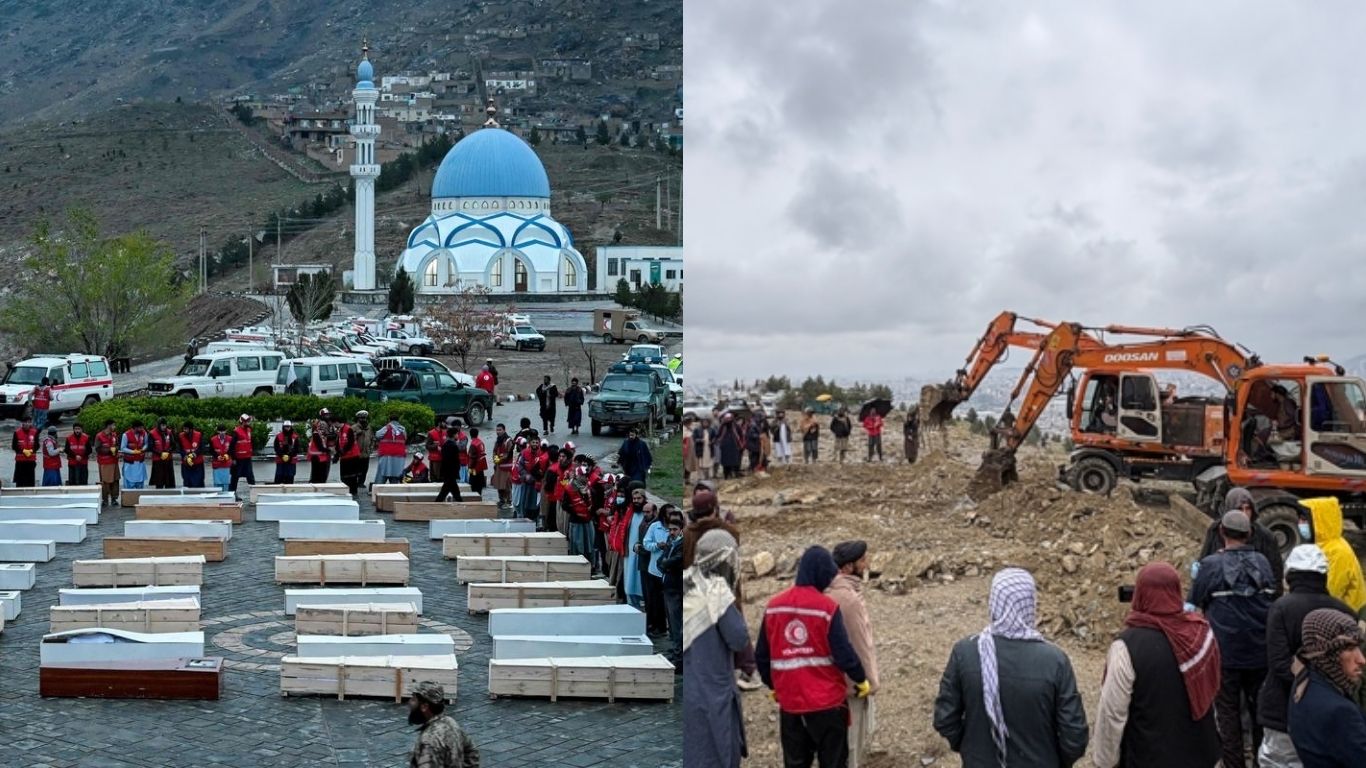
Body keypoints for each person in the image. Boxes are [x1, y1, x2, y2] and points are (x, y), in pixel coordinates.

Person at [933, 567, 1088, 768]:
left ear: (994, 603)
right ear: (1030, 603)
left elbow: (945, 718)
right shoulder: (1055, 661)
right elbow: (1074, 735)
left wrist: (970, 747)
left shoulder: (966, 653)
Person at [1092, 561, 1222, 768]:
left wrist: (1104, 760)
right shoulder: (1201, 633)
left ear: (1140, 594)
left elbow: (1113, 711)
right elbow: (1212, 691)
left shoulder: (1126, 646)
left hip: (1149, 756)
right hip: (1201, 753)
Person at [757, 546, 872, 768]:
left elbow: (762, 655)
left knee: (796, 762)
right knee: (834, 761)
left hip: (791, 705)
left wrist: (772, 685)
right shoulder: (826, 607)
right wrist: (861, 679)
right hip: (827, 704)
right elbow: (844, 653)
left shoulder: (774, 607)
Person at [1188, 509, 1277, 768]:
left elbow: (1193, 604)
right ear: (1249, 534)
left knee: (1227, 712)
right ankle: (1261, 761)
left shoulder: (1211, 566)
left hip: (1224, 654)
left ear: (1221, 532)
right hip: (1260, 653)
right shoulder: (1262, 562)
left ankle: (1234, 762)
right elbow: (1271, 597)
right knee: (1259, 710)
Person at [1257, 545, 1355, 768]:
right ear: (1323, 575)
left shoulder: (1281, 608)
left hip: (1283, 710)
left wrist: (1305, 691)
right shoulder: (1345, 612)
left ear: (1290, 575)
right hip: (1331, 711)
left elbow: (1279, 663)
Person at [683, 528, 750, 768]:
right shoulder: (716, 591)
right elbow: (739, 638)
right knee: (714, 753)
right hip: (713, 693)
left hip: (688, 691)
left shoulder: (685, 581)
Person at [1287, 609, 1366, 766]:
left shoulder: (1304, 683)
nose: (1362, 660)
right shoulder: (1339, 711)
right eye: (1349, 649)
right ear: (1327, 655)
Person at [828, 541, 880, 768]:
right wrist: (869, 681)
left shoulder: (828, 590)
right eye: (862, 561)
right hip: (851, 685)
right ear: (848, 567)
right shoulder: (847, 599)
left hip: (831, 683)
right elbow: (860, 644)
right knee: (851, 745)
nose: (866, 564)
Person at [1197, 487, 1285, 596]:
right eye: (1239, 509)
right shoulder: (1216, 529)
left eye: (1248, 509)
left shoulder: (1264, 536)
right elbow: (1205, 558)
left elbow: (1275, 573)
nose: (1244, 513)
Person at [1301, 496, 1366, 613]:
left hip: (1347, 614)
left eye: (1304, 520)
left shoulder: (1338, 551)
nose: (1300, 524)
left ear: (1319, 520)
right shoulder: (1322, 546)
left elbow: (1331, 591)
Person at [406, 681, 480, 768]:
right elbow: (472, 752)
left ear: (424, 707)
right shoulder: (451, 722)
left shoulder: (429, 741)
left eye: (413, 699)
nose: (409, 702)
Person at [659, 508, 685, 665]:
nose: (671, 532)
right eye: (670, 530)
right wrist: (665, 564)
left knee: (678, 624)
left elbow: (675, 561)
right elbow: (661, 561)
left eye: (674, 529)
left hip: (677, 587)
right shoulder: (670, 541)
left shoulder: (683, 544)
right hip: (668, 586)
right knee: (673, 624)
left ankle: (680, 657)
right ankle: (676, 650)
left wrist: (665, 563)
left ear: (681, 530)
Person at [336, 415, 365, 497]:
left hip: (351, 456)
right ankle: (348, 490)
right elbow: (339, 443)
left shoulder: (348, 429)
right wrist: (338, 454)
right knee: (345, 477)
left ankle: (353, 492)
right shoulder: (340, 430)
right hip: (345, 456)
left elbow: (350, 443)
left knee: (351, 476)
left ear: (337, 422)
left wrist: (342, 452)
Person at [376, 415, 409, 485]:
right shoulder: (402, 429)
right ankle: (394, 491)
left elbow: (377, 435)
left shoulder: (387, 427)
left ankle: (378, 489)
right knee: (395, 474)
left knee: (382, 473)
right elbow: (405, 438)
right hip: (399, 456)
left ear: (389, 420)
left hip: (386, 455)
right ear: (398, 420)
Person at [434, 429, 465, 502]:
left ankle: (459, 502)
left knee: (451, 491)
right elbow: (455, 461)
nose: (458, 435)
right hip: (451, 473)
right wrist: (456, 471)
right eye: (457, 434)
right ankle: (436, 504)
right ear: (454, 435)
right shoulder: (453, 446)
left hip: (447, 472)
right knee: (447, 491)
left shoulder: (445, 445)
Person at [94, 419, 120, 504]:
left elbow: (117, 445)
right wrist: (109, 450)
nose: (114, 427)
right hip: (104, 462)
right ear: (109, 426)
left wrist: (115, 449)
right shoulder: (99, 436)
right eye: (113, 425)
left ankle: (114, 498)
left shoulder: (114, 435)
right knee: (106, 481)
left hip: (114, 460)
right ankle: (105, 499)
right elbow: (97, 449)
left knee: (115, 480)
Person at [229, 414, 256, 491]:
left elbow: (250, 442)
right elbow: (232, 446)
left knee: (250, 477)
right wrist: (233, 458)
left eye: (248, 421)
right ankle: (232, 494)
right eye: (246, 421)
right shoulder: (236, 431)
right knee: (235, 477)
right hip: (238, 459)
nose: (248, 423)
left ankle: (254, 493)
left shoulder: (249, 430)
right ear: (241, 422)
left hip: (247, 458)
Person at [120, 419, 150, 489]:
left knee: (140, 482)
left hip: (140, 462)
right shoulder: (126, 435)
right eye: (140, 427)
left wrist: (143, 449)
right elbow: (123, 448)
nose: (142, 429)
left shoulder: (144, 433)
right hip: (129, 463)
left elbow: (146, 444)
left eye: (142, 427)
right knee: (129, 482)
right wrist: (132, 452)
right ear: (135, 428)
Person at [11, 415, 39, 487]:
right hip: (20, 461)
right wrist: (23, 451)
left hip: (31, 460)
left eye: (29, 422)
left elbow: (37, 445)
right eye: (25, 422)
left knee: (30, 480)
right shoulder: (17, 433)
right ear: (22, 423)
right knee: (20, 481)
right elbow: (14, 446)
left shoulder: (35, 432)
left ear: (31, 423)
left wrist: (31, 450)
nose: (27, 424)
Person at [490, 424, 513, 508]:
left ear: (504, 430)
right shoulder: (498, 441)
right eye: (497, 430)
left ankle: (509, 501)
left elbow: (509, 453)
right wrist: (495, 458)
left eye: (500, 430)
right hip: (499, 466)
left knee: (506, 485)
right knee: (499, 484)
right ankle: (502, 500)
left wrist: (500, 459)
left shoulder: (508, 441)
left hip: (506, 467)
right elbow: (494, 451)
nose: (498, 432)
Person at [178, 421, 205, 489]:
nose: (184, 430)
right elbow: (179, 448)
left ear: (191, 429)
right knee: (187, 482)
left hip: (197, 464)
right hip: (186, 464)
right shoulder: (180, 436)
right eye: (184, 429)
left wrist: (195, 454)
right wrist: (184, 455)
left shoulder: (199, 435)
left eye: (186, 429)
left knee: (198, 482)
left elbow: (202, 447)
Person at [308, 416, 333, 484]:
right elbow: (320, 447)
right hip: (317, 457)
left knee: (321, 474)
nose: (323, 427)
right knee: (317, 474)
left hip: (321, 457)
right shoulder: (316, 434)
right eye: (322, 426)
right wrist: (328, 450)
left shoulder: (321, 434)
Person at [63, 422, 90, 486]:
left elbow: (89, 450)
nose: (77, 430)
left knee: (83, 481)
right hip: (72, 463)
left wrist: (82, 456)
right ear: (73, 429)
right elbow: (67, 449)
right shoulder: (69, 438)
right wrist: (75, 456)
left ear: (81, 429)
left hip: (83, 463)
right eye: (75, 429)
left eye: (79, 429)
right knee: (72, 482)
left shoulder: (86, 438)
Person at [209, 424, 233, 492]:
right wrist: (217, 456)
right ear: (217, 431)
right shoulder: (213, 439)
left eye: (223, 431)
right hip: (217, 464)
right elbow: (211, 450)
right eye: (220, 431)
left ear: (226, 431)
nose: (221, 433)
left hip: (227, 465)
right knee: (217, 483)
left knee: (226, 483)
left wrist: (227, 455)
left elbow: (232, 449)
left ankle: (227, 496)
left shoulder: (230, 439)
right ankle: (217, 497)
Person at [467, 427, 487, 498]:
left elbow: (472, 457)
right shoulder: (480, 442)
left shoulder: (473, 444)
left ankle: (474, 497)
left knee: (473, 483)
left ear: (470, 435)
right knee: (479, 483)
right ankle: (479, 495)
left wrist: (469, 467)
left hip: (474, 468)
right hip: (480, 467)